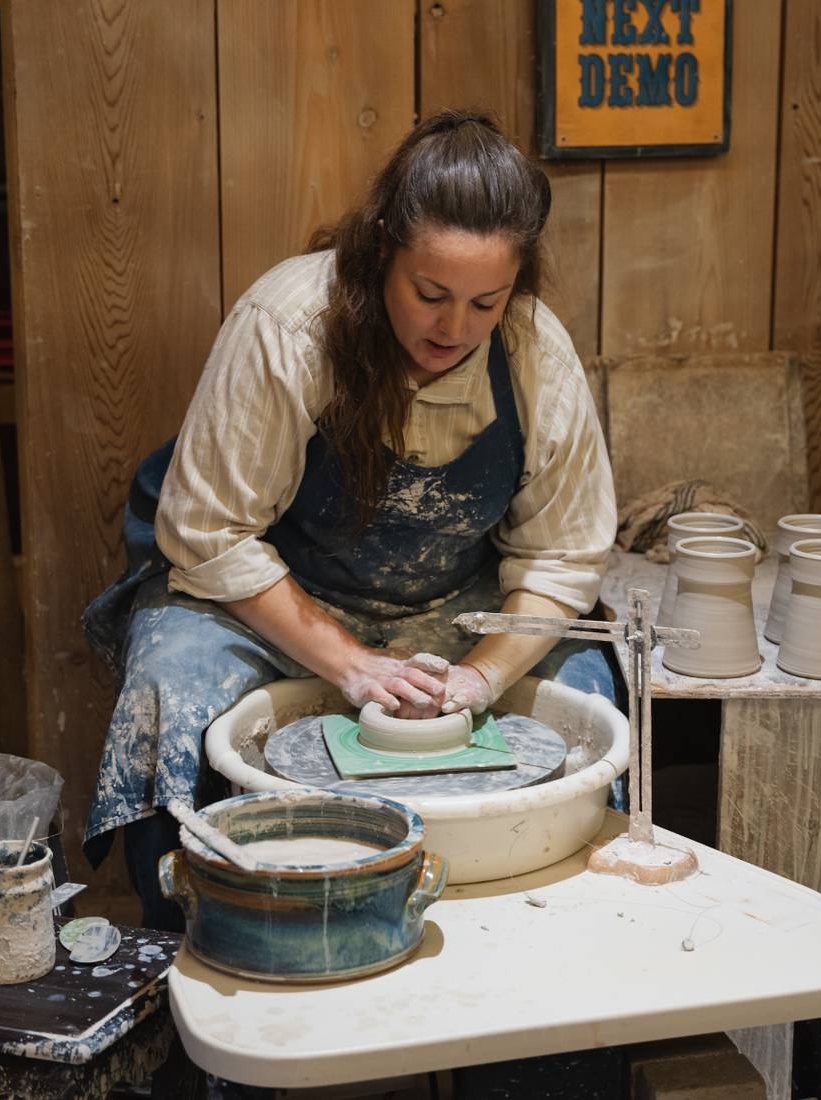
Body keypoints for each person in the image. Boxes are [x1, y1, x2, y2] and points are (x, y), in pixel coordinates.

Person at [81, 109, 620, 930]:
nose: (454, 328)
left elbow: (563, 558)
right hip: (262, 594)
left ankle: (547, 938)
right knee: (171, 688)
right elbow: (211, 535)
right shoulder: (289, 325)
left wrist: (483, 676)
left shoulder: (533, 349)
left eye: (485, 301)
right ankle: (189, 942)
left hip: (449, 598)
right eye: (429, 293)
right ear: (380, 253)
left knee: (588, 694)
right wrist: (352, 666)